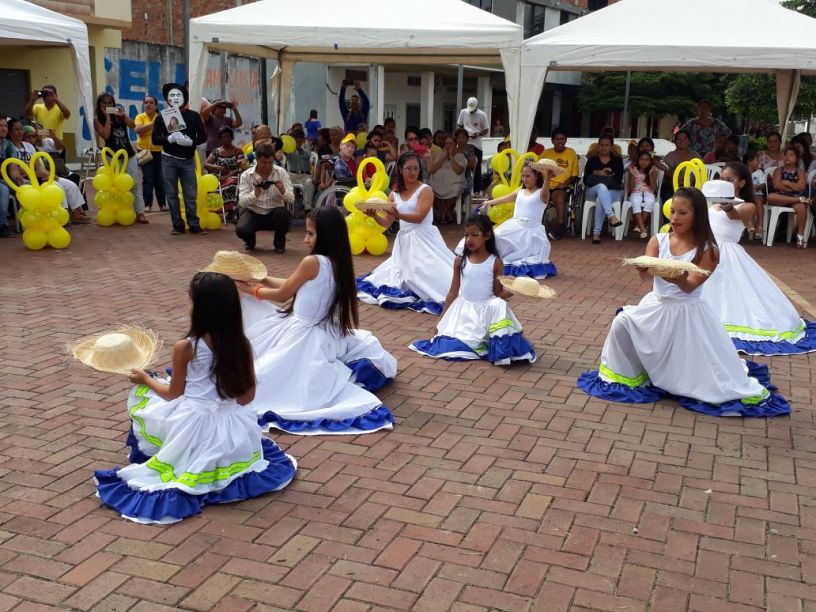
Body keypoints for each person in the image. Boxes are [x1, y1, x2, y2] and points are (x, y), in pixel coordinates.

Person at [94, 272, 297, 524]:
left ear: (200, 309)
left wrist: (145, 379)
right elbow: (247, 398)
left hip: (194, 423)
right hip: (235, 428)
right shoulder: (241, 344)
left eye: (191, 301)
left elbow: (173, 394)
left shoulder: (186, 346)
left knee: (146, 399)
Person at [577, 187, 789, 418]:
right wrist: (643, 268)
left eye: (682, 213)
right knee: (622, 322)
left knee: (702, 372)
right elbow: (646, 278)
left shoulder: (709, 250)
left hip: (687, 310)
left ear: (697, 216)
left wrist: (675, 276)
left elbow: (689, 286)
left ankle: (681, 377)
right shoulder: (658, 240)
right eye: (673, 212)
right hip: (657, 304)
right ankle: (628, 373)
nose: (675, 218)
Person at [233, 208, 396, 435]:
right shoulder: (338, 260)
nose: (306, 239)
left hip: (302, 333)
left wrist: (250, 289)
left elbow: (284, 294)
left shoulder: (313, 262)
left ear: (327, 235)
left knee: (260, 377)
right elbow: (294, 283)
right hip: (319, 330)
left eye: (311, 233)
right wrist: (261, 279)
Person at [701, 168, 816, 355]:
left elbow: (734, 215)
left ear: (742, 183)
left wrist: (727, 205)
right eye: (721, 179)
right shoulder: (708, 204)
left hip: (728, 254)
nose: (724, 182)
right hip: (705, 251)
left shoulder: (748, 205)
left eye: (730, 179)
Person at [411, 213, 536, 364]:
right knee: (451, 343)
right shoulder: (460, 261)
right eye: (466, 235)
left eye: (474, 235)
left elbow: (498, 293)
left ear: (487, 236)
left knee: (499, 304)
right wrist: (441, 320)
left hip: (485, 312)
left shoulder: (495, 262)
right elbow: (453, 292)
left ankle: (494, 342)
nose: (469, 239)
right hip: (464, 313)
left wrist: (515, 290)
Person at [357, 152, 456, 314]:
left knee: (429, 275)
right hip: (404, 241)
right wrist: (374, 215)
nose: (412, 172)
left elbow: (419, 217)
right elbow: (387, 223)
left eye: (416, 168)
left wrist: (397, 214)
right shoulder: (394, 194)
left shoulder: (425, 190)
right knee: (400, 275)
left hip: (424, 239)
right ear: (400, 170)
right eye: (408, 168)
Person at [476, 162, 558, 278]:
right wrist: (488, 202)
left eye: (528, 176)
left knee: (523, 256)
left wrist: (548, 177)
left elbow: (545, 192)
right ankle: (485, 259)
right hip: (515, 225)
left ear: (537, 177)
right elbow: (503, 199)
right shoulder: (519, 192)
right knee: (495, 236)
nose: (524, 179)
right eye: (523, 176)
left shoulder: (541, 193)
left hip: (531, 231)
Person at [7, 118, 89, 224]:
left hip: (38, 176)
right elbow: (17, 170)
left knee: (70, 184)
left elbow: (38, 164)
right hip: (26, 179)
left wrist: (45, 173)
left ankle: (76, 212)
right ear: (10, 132)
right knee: (57, 187)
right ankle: (61, 215)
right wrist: (36, 173)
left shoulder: (28, 146)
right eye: (16, 130)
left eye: (21, 129)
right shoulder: (9, 147)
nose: (20, 132)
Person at [152, 83, 208, 236]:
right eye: (172, 96)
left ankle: (193, 223)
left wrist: (191, 142)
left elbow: (203, 136)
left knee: (190, 193)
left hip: (188, 159)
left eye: (178, 95)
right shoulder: (163, 116)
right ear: (167, 99)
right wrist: (169, 139)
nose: (175, 98)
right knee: (171, 193)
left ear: (184, 97)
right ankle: (177, 224)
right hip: (168, 159)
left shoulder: (194, 116)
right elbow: (155, 139)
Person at [94, 92, 148, 224]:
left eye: (110, 103)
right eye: (104, 103)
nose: (107, 105)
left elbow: (133, 125)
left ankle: (140, 212)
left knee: (134, 183)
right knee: (113, 185)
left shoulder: (119, 114)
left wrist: (123, 115)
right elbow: (105, 135)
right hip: (111, 156)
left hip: (128, 154)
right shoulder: (97, 119)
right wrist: (107, 117)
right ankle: (114, 211)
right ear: (99, 105)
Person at [236, 142, 294, 253]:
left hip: (274, 212)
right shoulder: (246, 175)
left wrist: (282, 190)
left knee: (284, 215)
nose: (267, 166)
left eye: (270, 162)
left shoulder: (281, 172)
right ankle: (250, 241)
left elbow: (291, 199)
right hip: (253, 212)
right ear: (256, 160)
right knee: (242, 230)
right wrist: (256, 193)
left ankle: (279, 243)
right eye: (264, 162)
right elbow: (242, 203)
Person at [539, 127, 580, 240]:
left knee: (558, 196)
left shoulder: (571, 153)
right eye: (557, 139)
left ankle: (561, 226)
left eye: (562, 139)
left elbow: (575, 175)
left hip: (562, 187)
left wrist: (565, 184)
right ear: (552, 141)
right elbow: (538, 170)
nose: (560, 141)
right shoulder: (546, 153)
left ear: (566, 140)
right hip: (545, 185)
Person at [584, 135, 624, 244]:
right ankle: (611, 216)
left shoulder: (617, 161)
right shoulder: (592, 160)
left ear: (611, 147)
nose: (604, 147)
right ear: (598, 146)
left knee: (600, 200)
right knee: (601, 187)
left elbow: (619, 180)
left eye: (607, 145)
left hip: (613, 192)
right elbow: (585, 180)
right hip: (593, 190)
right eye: (601, 145)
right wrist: (596, 174)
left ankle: (596, 233)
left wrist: (608, 173)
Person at [767, 145, 810, 248]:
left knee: (801, 207)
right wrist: (793, 189)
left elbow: (801, 187)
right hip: (783, 197)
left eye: (791, 155)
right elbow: (777, 185)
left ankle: (800, 237)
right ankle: (800, 199)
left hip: (794, 199)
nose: (787, 157)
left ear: (797, 159)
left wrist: (786, 182)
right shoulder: (778, 170)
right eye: (786, 155)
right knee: (770, 197)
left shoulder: (800, 172)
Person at [204, 126, 246, 216]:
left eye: (228, 136)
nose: (226, 139)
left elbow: (241, 167)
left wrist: (227, 175)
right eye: (223, 137)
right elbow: (206, 164)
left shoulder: (237, 151)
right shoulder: (216, 152)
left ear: (232, 138)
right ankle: (215, 209)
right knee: (210, 186)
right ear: (220, 139)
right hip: (218, 177)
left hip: (232, 176)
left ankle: (230, 210)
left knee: (232, 183)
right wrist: (218, 167)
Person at [135, 95, 166, 212]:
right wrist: (153, 124)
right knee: (148, 178)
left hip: (159, 151)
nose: (148, 104)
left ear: (156, 106)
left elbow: (166, 131)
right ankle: (148, 205)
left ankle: (162, 204)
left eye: (151, 102)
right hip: (144, 151)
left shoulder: (161, 117)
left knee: (159, 179)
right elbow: (138, 130)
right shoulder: (140, 117)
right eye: (146, 102)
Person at [429, 134, 466, 225]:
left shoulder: (460, 156)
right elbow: (433, 170)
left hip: (454, 182)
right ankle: (446, 212)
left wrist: (452, 157)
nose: (448, 146)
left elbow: (458, 171)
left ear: (455, 144)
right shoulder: (440, 155)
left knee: (455, 189)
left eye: (451, 143)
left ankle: (444, 213)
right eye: (446, 143)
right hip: (439, 182)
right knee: (431, 188)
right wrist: (444, 158)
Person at [457, 97, 489, 194]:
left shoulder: (482, 115)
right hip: (466, 143)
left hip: (477, 144)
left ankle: (476, 191)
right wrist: (464, 134)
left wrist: (478, 134)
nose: (471, 111)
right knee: (463, 165)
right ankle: (463, 189)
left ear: (477, 106)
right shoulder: (463, 112)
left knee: (477, 167)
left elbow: (486, 129)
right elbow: (460, 124)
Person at [661, 130, 702, 201]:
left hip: (693, 187)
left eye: (684, 138)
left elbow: (701, 170)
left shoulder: (695, 154)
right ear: (675, 142)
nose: (682, 141)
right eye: (679, 139)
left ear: (689, 141)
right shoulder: (671, 155)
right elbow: (666, 173)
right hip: (672, 187)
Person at [628, 151, 658, 238]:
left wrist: (650, 174)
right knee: (636, 202)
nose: (644, 162)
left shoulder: (653, 171)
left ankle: (638, 226)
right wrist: (633, 175)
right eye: (641, 159)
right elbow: (631, 188)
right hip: (636, 192)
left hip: (649, 192)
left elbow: (654, 188)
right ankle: (642, 227)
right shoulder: (634, 170)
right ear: (638, 160)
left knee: (650, 201)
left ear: (650, 161)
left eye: (646, 160)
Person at [286, 127, 315, 210]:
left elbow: (307, 156)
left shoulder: (306, 146)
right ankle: (288, 207)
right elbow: (286, 158)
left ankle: (307, 208)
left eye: (297, 138)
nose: (296, 140)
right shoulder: (289, 147)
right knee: (284, 182)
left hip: (305, 175)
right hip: (292, 175)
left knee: (309, 184)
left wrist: (298, 148)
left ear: (302, 138)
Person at [744, 151, 766, 241]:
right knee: (747, 201)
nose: (758, 162)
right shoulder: (743, 172)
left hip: (757, 195)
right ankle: (749, 223)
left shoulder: (759, 172)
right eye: (756, 160)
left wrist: (757, 187)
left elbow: (763, 185)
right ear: (749, 162)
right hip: (746, 195)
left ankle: (759, 226)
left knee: (759, 201)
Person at [0, 117, 15, 237]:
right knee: (3, 191)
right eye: (0, 126)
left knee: (28, 187)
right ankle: (2, 225)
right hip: (2, 184)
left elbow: (13, 170)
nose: (3, 128)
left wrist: (21, 181)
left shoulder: (9, 145)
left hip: (5, 181)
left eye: (5, 126)